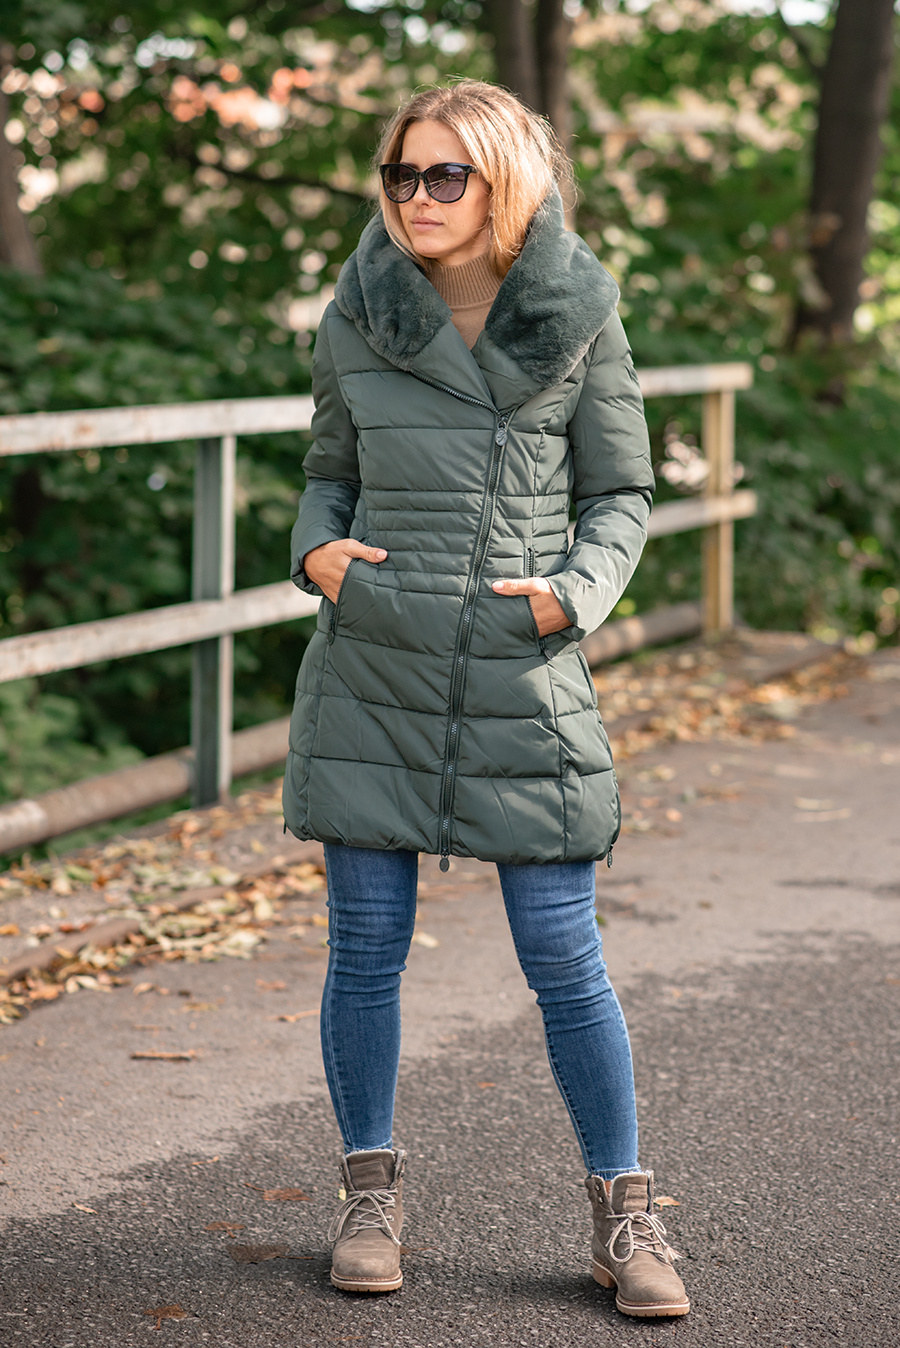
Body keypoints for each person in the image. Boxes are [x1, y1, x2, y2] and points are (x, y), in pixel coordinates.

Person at [283, 79, 690, 1320]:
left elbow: (621, 492)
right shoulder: (357, 314)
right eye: (402, 174)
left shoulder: (580, 314)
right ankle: (368, 1196)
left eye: (445, 174)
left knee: (565, 956)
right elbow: (328, 468)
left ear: (504, 179)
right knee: (364, 948)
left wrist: (574, 594)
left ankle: (626, 1214)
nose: (417, 196)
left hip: (522, 668)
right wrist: (316, 551)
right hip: (376, 665)